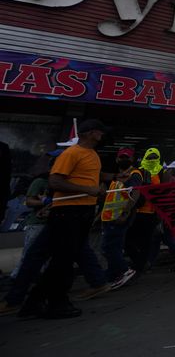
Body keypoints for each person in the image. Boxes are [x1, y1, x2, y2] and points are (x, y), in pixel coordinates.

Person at [18, 119, 109, 319]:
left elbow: (90, 179)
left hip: (82, 211)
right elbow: (55, 180)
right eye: (98, 131)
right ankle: (57, 303)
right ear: (89, 133)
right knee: (63, 261)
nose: (101, 135)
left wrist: (104, 185)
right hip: (68, 212)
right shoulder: (72, 153)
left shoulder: (92, 155)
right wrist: (89, 190)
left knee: (62, 259)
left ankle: (33, 302)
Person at [9, 150, 56, 279]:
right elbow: (29, 201)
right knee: (30, 253)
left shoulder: (63, 183)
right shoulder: (41, 181)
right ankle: (18, 278)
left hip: (54, 223)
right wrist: (44, 201)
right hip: (37, 224)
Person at [100, 148, 142, 288]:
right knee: (114, 247)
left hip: (119, 218)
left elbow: (135, 194)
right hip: (109, 217)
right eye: (121, 157)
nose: (124, 159)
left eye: (127, 157)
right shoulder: (117, 177)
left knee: (108, 247)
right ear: (117, 159)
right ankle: (113, 275)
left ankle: (124, 271)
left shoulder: (134, 174)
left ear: (132, 159)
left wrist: (125, 214)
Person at [125, 147, 162, 274]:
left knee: (145, 241)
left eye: (154, 157)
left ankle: (140, 265)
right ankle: (140, 262)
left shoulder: (161, 173)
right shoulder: (139, 171)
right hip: (137, 211)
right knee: (129, 239)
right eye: (149, 157)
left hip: (151, 213)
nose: (152, 160)